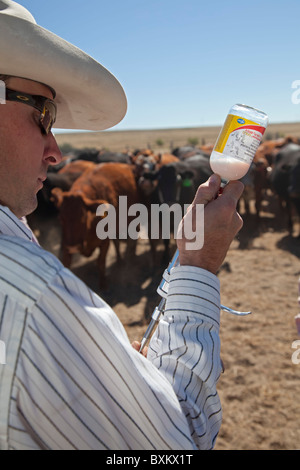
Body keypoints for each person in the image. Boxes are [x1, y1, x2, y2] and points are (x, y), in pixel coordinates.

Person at [0, 0, 244, 450]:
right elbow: (178, 444)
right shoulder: (33, 298)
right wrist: (199, 259)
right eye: (43, 114)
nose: (55, 152)